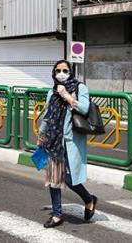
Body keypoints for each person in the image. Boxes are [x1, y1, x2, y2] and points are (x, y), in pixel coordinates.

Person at [38, 60, 97, 228]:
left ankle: (89, 199)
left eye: (65, 70)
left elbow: (85, 109)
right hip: (54, 140)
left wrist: (67, 96)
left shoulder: (80, 88)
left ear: (71, 71)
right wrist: (42, 134)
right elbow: (47, 116)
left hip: (71, 140)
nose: (61, 73)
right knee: (54, 179)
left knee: (71, 180)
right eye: (58, 70)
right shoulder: (52, 92)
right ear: (53, 73)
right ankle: (57, 215)